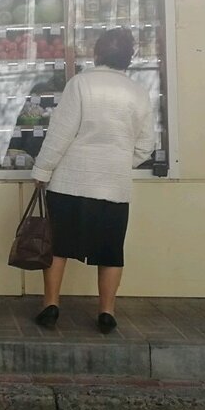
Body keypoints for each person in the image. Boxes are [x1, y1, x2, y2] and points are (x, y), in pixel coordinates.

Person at [29, 28, 154, 334]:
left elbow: (61, 134)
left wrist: (42, 171)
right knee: (111, 251)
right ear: (129, 58)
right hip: (114, 186)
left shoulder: (80, 84)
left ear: (97, 53)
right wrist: (120, 161)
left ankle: (51, 306)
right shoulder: (138, 93)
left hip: (70, 181)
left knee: (58, 247)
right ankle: (106, 312)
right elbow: (146, 145)